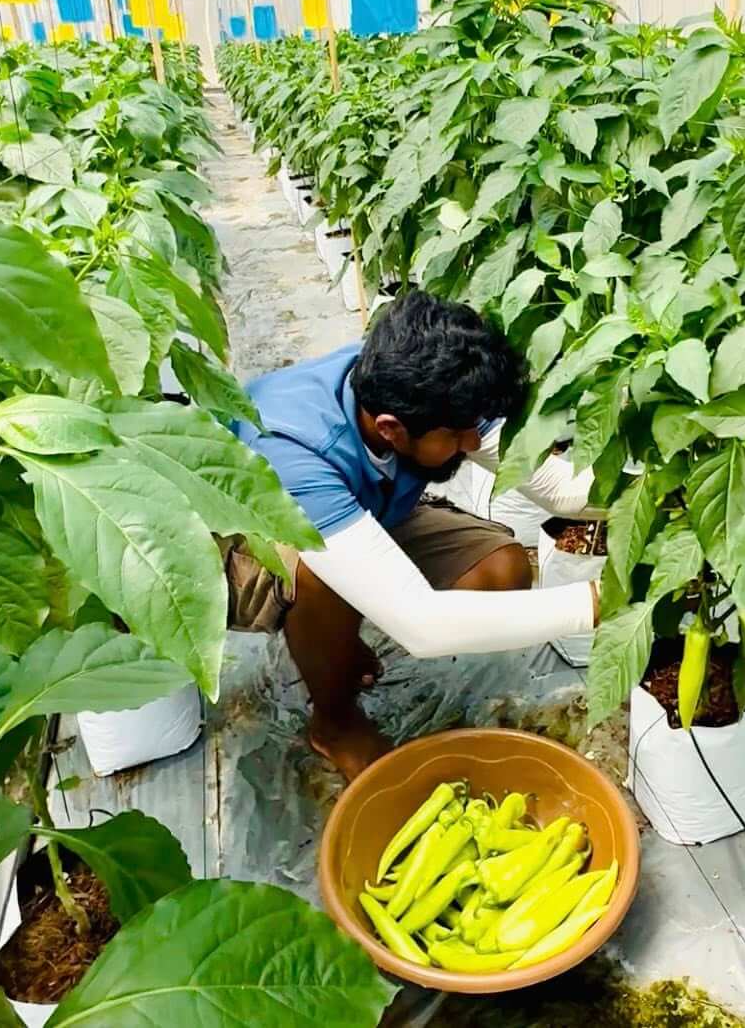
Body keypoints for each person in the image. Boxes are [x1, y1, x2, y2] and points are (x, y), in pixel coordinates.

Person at [228, 290, 600, 780]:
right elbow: (423, 626)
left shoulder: (429, 386)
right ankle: (334, 723)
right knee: (323, 575)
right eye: (459, 435)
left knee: (502, 567)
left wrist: (657, 495)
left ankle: (340, 637)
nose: (473, 445)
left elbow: (556, 489)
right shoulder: (293, 448)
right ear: (391, 430)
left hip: (367, 507)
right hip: (249, 539)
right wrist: (600, 601)